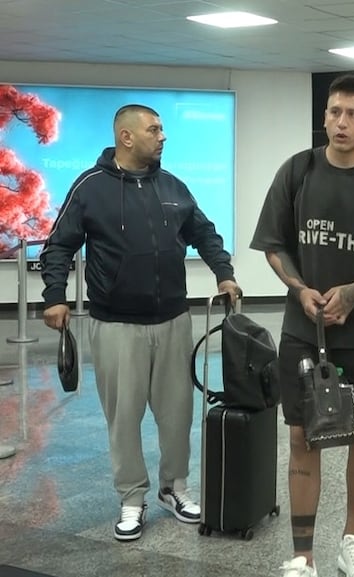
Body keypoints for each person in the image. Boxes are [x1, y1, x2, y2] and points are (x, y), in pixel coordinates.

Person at [40, 104, 239, 541]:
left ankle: (176, 488)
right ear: (127, 138)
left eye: (163, 128)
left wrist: (224, 272)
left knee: (176, 414)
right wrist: (55, 296)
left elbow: (203, 233)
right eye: (154, 129)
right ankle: (132, 497)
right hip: (116, 325)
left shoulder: (172, 186)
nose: (163, 136)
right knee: (124, 417)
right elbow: (58, 246)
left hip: (173, 318)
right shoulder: (90, 188)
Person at [251, 74, 354, 577]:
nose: (340, 122)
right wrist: (301, 289)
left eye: (351, 114)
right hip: (306, 334)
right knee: (302, 437)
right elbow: (275, 246)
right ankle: (303, 554)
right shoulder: (298, 170)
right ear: (324, 116)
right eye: (333, 112)